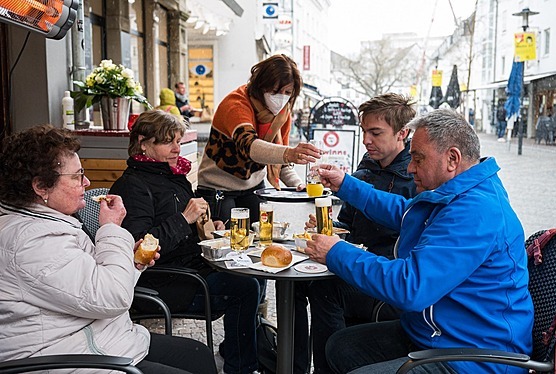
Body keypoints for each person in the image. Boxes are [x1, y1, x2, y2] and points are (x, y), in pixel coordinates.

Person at [305, 109, 533, 374]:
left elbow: (410, 287)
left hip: (474, 357)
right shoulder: (458, 191)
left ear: (452, 159)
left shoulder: (476, 211)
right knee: (340, 347)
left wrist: (336, 251)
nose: (411, 167)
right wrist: (345, 183)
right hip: (435, 335)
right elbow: (404, 211)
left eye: (418, 158)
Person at [0, 125, 216, 374]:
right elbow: (113, 297)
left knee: (197, 355)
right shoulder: (29, 243)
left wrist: (133, 261)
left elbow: (95, 280)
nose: (87, 182)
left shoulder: (49, 223)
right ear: (41, 187)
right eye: (77, 176)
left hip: (102, 339)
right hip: (67, 358)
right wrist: (111, 229)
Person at [109, 110, 261, 374]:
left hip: (189, 270)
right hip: (164, 284)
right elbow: (138, 250)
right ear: (144, 143)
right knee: (245, 287)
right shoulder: (132, 186)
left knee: (253, 274)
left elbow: (182, 229)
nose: (177, 148)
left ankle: (238, 353)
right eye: (169, 142)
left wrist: (208, 228)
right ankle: (241, 368)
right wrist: (184, 218)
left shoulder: (171, 176)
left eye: (178, 141)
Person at [304, 93, 417, 373]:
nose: (367, 139)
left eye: (375, 133)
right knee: (302, 285)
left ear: (402, 133)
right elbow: (349, 227)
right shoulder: (366, 167)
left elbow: (404, 228)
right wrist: (328, 230)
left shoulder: (418, 179)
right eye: (364, 131)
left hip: (389, 278)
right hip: (362, 266)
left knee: (324, 289)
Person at [196, 54, 322, 225]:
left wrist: (298, 185)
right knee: (227, 243)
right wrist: (290, 153)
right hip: (219, 189)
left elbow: (280, 159)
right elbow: (250, 146)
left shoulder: (283, 114)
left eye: (287, 92)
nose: (281, 97)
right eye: (275, 91)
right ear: (261, 85)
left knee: (261, 238)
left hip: (253, 188)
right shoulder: (236, 104)